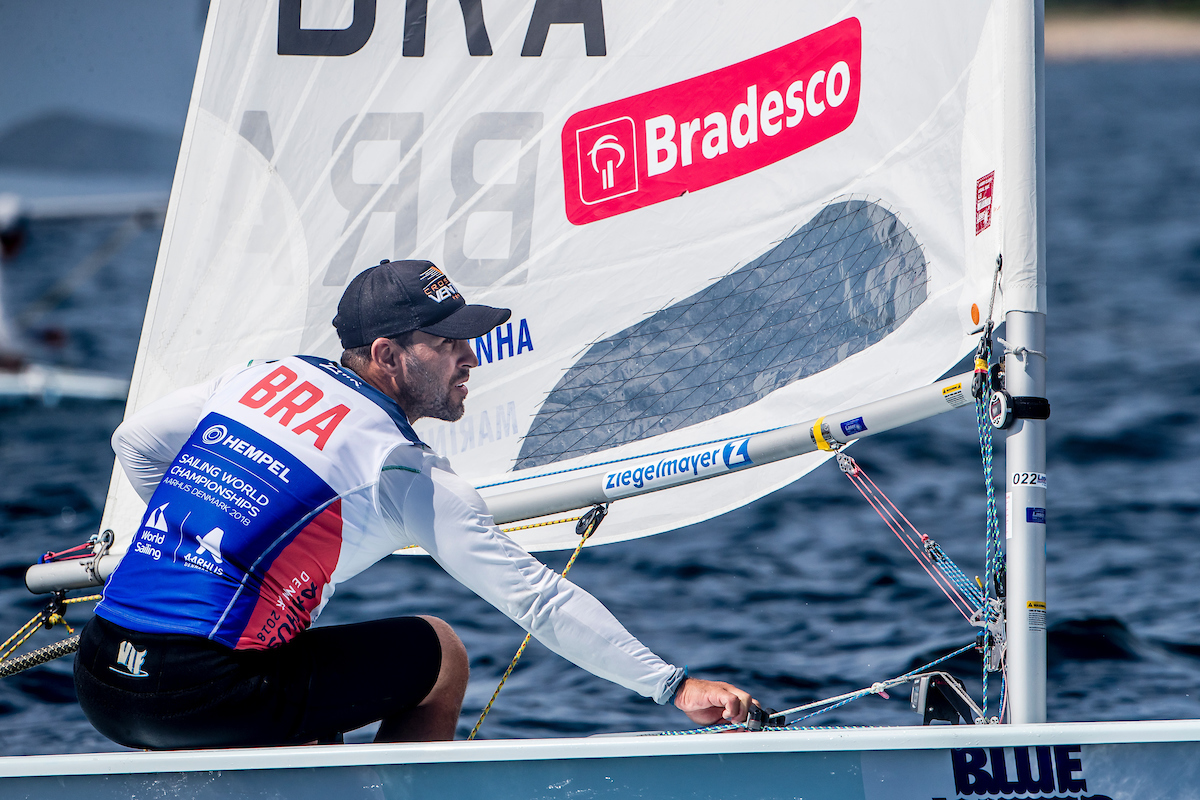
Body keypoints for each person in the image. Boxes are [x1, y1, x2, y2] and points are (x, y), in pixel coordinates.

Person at [74, 259, 760, 749]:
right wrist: (673, 687)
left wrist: (207, 540)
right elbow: (538, 602)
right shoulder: (399, 464)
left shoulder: (259, 377)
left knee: (303, 667)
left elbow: (134, 441)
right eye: (448, 342)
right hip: (200, 698)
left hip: (101, 680)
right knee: (440, 652)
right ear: (386, 355)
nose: (472, 358)